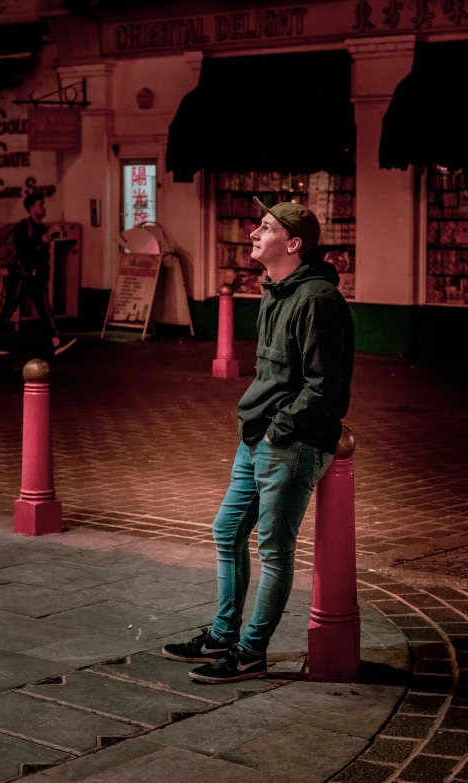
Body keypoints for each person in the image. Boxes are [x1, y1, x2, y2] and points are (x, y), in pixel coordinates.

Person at [162, 197, 355, 683]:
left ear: (293, 243)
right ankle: (224, 634)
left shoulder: (317, 300)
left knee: (274, 549)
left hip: (289, 443)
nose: (253, 233)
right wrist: (259, 427)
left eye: (265, 227)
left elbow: (325, 386)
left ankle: (250, 652)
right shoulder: (275, 289)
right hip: (258, 436)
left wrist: (279, 428)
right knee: (227, 530)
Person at [0, 194, 77, 356]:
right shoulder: (24, 227)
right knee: (10, 306)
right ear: (31, 208)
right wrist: (40, 241)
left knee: (44, 309)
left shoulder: (42, 228)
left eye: (43, 204)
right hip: (21, 274)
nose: (44, 207)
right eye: (40, 205)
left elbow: (41, 251)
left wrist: (50, 238)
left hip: (37, 276)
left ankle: (56, 342)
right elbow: (21, 248)